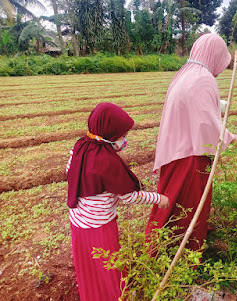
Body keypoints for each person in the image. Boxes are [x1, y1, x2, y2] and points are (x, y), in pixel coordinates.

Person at [145, 34, 237, 252]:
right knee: (188, 203)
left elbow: (197, 105)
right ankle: (185, 251)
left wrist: (220, 104)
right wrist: (232, 138)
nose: (222, 68)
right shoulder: (203, 78)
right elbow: (207, 122)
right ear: (214, 55)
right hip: (190, 155)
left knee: (172, 202)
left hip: (174, 152)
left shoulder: (186, 74)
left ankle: (162, 246)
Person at [66, 102, 169, 301]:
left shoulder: (79, 146)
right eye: (121, 136)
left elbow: (69, 172)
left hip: (77, 223)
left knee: (90, 268)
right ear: (109, 135)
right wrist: (159, 199)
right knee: (111, 272)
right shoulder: (107, 162)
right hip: (99, 228)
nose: (124, 141)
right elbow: (129, 195)